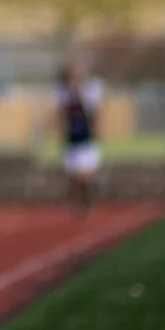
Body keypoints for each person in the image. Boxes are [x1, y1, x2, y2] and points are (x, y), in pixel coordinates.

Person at [59, 61, 103, 217]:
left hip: (87, 141)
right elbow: (62, 114)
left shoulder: (91, 89)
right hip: (72, 142)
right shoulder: (63, 92)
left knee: (83, 178)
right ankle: (79, 207)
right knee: (74, 180)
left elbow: (94, 111)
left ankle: (86, 200)